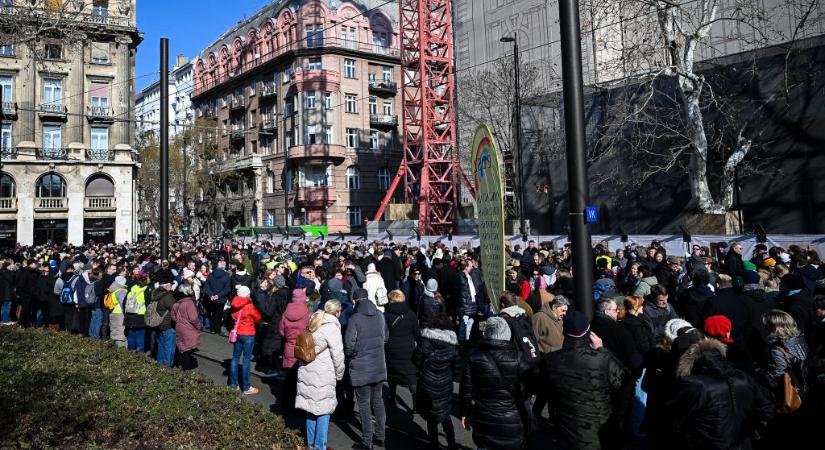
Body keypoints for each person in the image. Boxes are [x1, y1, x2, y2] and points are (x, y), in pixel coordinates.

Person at [667, 338, 774, 450]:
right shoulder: (743, 378)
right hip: (743, 444)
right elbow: (767, 406)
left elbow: (675, 418)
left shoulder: (693, 385)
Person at [545, 311, 628, 450]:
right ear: (588, 332)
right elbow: (623, 380)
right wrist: (602, 350)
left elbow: (542, 387)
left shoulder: (550, 360)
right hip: (600, 426)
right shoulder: (601, 358)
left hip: (566, 427)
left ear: (564, 332)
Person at [460, 316, 525, 450]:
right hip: (512, 418)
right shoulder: (518, 358)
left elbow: (466, 390)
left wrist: (465, 413)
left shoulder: (474, 357)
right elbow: (528, 388)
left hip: (484, 417)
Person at [296, 300, 346, 450]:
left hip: (307, 368)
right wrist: (339, 374)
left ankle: (311, 444)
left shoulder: (315, 320)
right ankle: (320, 446)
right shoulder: (332, 328)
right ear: (337, 312)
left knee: (311, 408)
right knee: (324, 410)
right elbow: (338, 355)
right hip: (323, 373)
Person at [345, 288, 388, 450]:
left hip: (361, 366)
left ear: (355, 301)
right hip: (378, 364)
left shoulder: (354, 319)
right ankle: (381, 436)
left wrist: (352, 354)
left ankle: (366, 441)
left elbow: (349, 344)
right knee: (378, 401)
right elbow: (386, 338)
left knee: (363, 404)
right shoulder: (379, 315)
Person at [413, 309, 458, 450]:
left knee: (431, 417)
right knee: (445, 414)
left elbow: (416, 359)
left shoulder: (425, 341)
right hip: (445, 382)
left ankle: (433, 445)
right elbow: (456, 367)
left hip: (427, 381)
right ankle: (452, 444)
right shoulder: (452, 345)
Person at [384, 289, 420, 408]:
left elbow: (384, 333)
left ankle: (392, 396)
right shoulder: (411, 314)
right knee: (410, 375)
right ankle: (415, 401)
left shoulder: (386, 315)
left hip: (391, 348)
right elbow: (417, 334)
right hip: (408, 348)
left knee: (392, 373)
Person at [279, 288, 311, 411]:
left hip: (289, 346)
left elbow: (281, 331)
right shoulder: (307, 312)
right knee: (301, 379)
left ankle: (286, 406)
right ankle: (299, 407)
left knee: (288, 379)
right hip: (302, 346)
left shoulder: (286, 312)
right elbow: (310, 330)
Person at [229, 285, 262, 394]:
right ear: (247, 294)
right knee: (246, 360)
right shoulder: (249, 306)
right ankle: (246, 387)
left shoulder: (234, 303)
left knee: (235, 358)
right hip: (248, 334)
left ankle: (233, 385)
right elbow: (258, 318)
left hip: (237, 333)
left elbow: (233, 316)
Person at [171, 282, 201, 370]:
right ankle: (186, 368)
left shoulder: (177, 303)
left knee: (181, 348)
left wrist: (179, 322)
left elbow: (173, 316)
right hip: (189, 329)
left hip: (179, 327)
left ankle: (179, 364)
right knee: (188, 350)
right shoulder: (189, 303)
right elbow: (194, 318)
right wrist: (198, 326)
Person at [151, 270, 178, 367]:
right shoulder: (167, 296)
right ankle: (167, 365)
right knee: (169, 347)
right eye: (170, 284)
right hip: (168, 324)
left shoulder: (155, 293)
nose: (171, 286)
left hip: (158, 323)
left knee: (161, 345)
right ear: (166, 285)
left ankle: (160, 364)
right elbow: (175, 308)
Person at [202, 260, 231, 334]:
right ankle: (218, 329)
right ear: (224, 266)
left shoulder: (211, 274)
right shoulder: (226, 275)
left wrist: (211, 295)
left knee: (212, 314)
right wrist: (218, 296)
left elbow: (206, 286)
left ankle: (212, 329)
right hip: (221, 299)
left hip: (211, 298)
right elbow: (227, 289)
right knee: (219, 314)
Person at [124, 275, 149, 352]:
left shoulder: (131, 290)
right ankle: (140, 355)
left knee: (131, 335)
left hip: (129, 316)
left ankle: (131, 353)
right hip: (140, 317)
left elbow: (124, 302)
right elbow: (148, 304)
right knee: (140, 335)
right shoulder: (145, 291)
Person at [107, 276, 129, 348]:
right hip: (120, 314)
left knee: (114, 332)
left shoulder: (113, 290)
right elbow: (123, 303)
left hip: (113, 313)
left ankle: (113, 349)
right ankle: (121, 351)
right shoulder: (121, 291)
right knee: (120, 334)